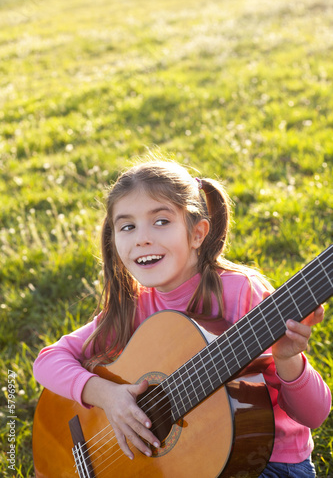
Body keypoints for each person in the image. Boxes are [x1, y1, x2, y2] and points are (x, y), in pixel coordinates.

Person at [33, 160, 331, 477]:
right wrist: (108, 397)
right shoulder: (135, 306)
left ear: (197, 233)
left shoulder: (241, 292)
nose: (142, 238)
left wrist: (288, 359)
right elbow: (48, 361)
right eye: (127, 226)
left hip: (270, 461)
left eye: (161, 221)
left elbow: (314, 414)